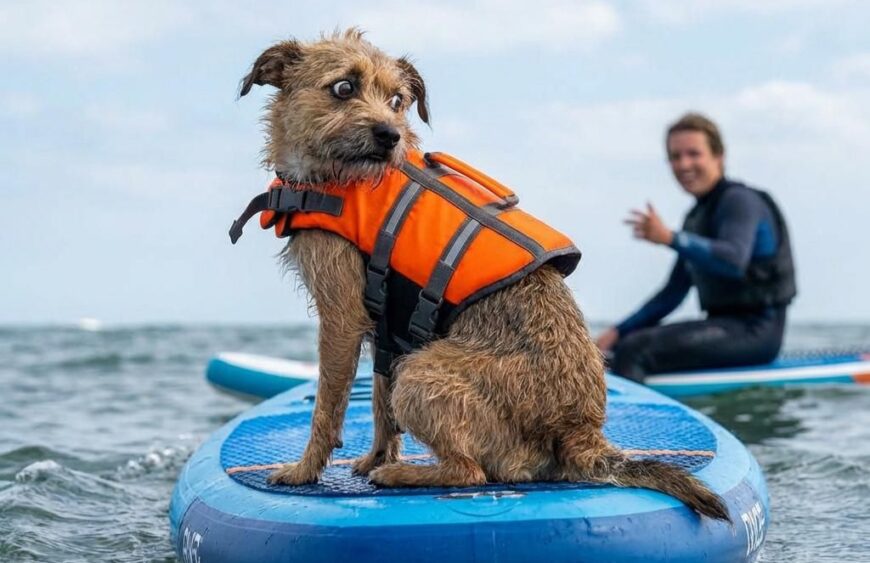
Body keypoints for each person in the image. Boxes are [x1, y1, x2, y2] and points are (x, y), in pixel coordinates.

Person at [595, 113, 797, 382]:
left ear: (719, 156)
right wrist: (618, 332)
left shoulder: (740, 201)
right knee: (617, 351)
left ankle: (629, 423)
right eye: (675, 156)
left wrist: (670, 238)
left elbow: (733, 259)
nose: (684, 164)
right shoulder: (696, 217)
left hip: (756, 331)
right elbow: (672, 294)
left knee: (637, 349)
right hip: (723, 327)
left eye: (693, 154)